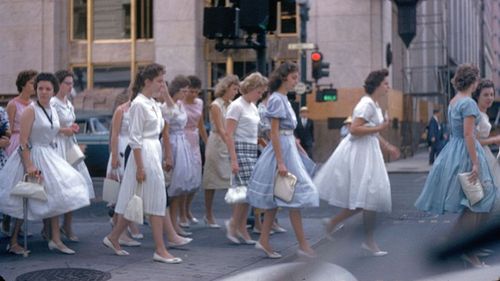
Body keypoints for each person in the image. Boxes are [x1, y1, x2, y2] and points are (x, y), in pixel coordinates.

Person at [415, 64, 497, 267]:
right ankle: (469, 252)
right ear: (473, 81)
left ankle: (461, 244)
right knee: (477, 201)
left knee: (471, 201)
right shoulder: (468, 103)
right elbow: (469, 134)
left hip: (454, 150)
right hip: (467, 152)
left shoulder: (454, 101)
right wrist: (476, 163)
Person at [0, 72, 90, 255]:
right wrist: (29, 165)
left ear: (53, 91)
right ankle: (14, 241)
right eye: (40, 88)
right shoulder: (30, 110)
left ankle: (55, 239)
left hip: (49, 154)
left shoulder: (52, 110)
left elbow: (54, 130)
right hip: (31, 156)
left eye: (48, 88)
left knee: (57, 193)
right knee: (23, 198)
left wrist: (68, 130)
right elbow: (23, 141)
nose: (43, 91)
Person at [314, 69, 400, 256]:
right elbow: (354, 129)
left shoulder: (374, 105)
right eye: (385, 83)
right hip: (361, 154)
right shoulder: (366, 104)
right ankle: (366, 241)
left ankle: (337, 225)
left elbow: (373, 132)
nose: (388, 86)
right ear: (377, 85)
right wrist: (381, 127)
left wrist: (387, 146)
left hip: (369, 152)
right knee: (369, 197)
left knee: (367, 198)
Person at [103, 63, 181, 264]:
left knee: (135, 200)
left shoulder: (153, 103)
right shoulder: (138, 104)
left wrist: (164, 96)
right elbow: (135, 138)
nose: (163, 85)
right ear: (147, 82)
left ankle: (113, 237)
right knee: (154, 200)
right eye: (159, 81)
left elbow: (172, 115)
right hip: (143, 155)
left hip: (153, 151)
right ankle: (160, 249)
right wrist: (140, 167)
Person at [247, 61, 319, 259]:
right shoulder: (277, 99)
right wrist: (280, 161)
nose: (297, 81)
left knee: (279, 198)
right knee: (290, 198)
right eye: (294, 77)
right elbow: (275, 132)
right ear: (284, 77)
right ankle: (303, 244)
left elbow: (286, 132)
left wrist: (298, 149)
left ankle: (264, 240)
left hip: (288, 149)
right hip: (282, 152)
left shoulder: (283, 98)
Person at [51, 70, 95, 242]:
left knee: (73, 185)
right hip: (57, 145)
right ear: (59, 84)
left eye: (71, 83)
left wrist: (73, 128)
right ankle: (51, 229)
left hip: (69, 145)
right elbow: (51, 126)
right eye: (67, 83)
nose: (70, 86)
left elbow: (68, 122)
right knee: (58, 187)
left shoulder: (68, 102)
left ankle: (67, 225)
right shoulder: (53, 103)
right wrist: (65, 130)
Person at [225, 72, 268, 245]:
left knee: (247, 193)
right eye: (259, 92)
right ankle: (234, 225)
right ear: (250, 88)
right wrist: (234, 159)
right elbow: (228, 134)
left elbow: (255, 133)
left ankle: (239, 226)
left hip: (251, 150)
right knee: (245, 192)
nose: (260, 95)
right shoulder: (237, 106)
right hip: (240, 149)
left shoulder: (252, 106)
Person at [2, 70, 37, 236]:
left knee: (26, 185)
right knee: (13, 182)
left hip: (28, 143)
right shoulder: (13, 104)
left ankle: (18, 225)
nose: (34, 86)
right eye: (31, 83)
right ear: (23, 84)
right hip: (15, 142)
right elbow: (6, 128)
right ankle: (8, 221)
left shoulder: (33, 105)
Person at [202, 75, 240, 228]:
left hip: (228, 141)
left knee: (232, 181)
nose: (236, 92)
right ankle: (208, 213)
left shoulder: (232, 104)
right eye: (234, 89)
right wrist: (231, 147)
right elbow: (220, 128)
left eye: (237, 89)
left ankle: (235, 218)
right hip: (217, 143)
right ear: (226, 88)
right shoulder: (215, 105)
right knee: (211, 181)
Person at [105, 94, 143, 245]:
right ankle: (121, 233)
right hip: (122, 149)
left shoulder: (140, 108)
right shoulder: (121, 110)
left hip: (134, 148)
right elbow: (114, 134)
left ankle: (121, 228)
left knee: (130, 190)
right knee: (122, 191)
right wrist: (114, 156)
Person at [163, 75, 197, 237]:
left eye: (187, 91)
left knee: (180, 186)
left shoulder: (179, 105)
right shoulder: (167, 106)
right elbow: (166, 132)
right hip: (174, 144)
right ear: (176, 90)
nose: (185, 94)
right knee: (173, 185)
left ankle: (175, 223)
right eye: (183, 91)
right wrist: (168, 155)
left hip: (182, 143)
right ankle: (171, 225)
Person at [179, 75, 208, 227]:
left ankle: (188, 209)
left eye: (196, 92)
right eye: (191, 91)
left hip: (194, 139)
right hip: (182, 138)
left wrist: (207, 141)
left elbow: (201, 123)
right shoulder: (179, 103)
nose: (193, 95)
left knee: (196, 179)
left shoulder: (200, 103)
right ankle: (182, 213)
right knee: (184, 178)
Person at [472, 79, 500, 212]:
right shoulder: (476, 114)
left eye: (491, 94)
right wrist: (494, 139)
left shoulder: (483, 114)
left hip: (485, 154)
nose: (490, 98)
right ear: (477, 96)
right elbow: (473, 140)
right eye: (486, 95)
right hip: (478, 156)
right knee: (480, 198)